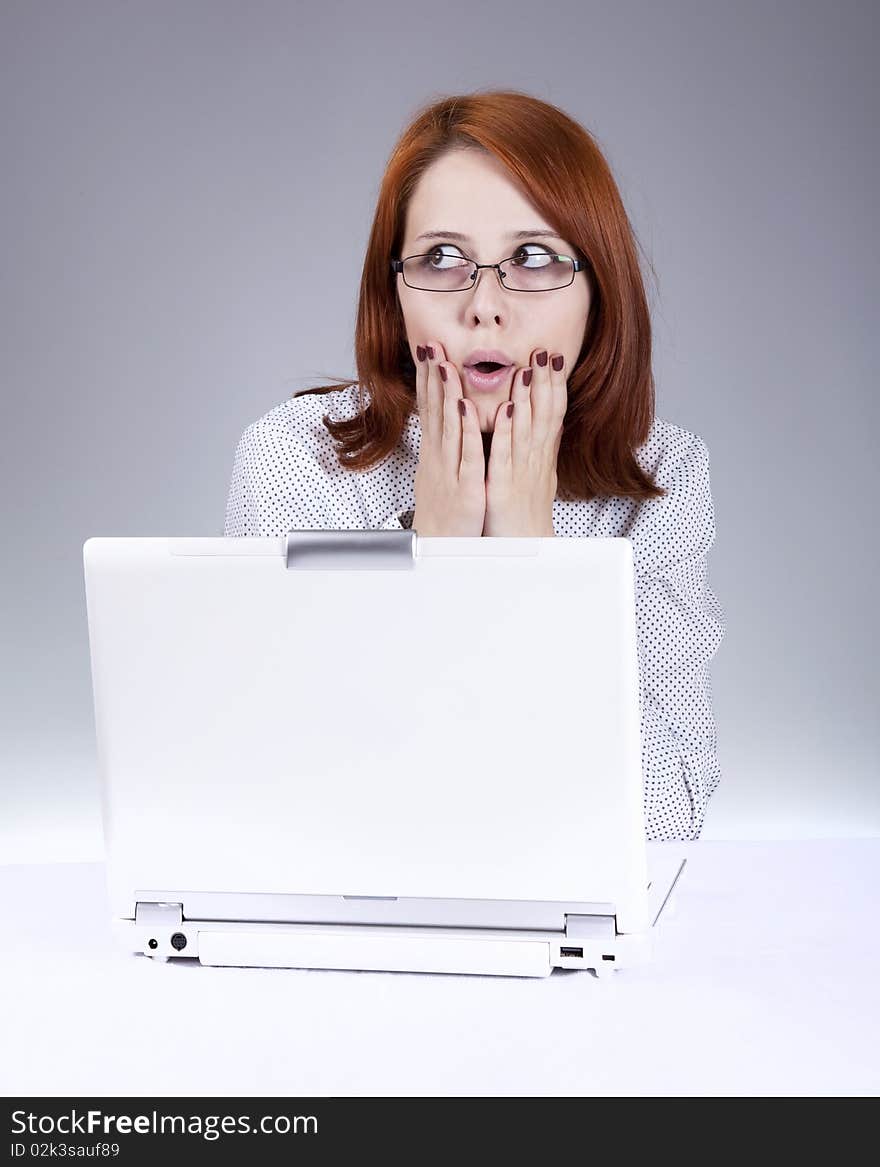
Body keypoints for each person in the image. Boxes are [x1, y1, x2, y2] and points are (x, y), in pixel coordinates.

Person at [223, 89, 726, 841]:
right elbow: (297, 805)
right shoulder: (297, 457)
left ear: (599, 289)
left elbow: (667, 821)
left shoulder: (662, 474)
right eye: (443, 258)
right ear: (394, 291)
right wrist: (435, 550)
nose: (485, 307)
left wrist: (530, 558)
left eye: (531, 257)